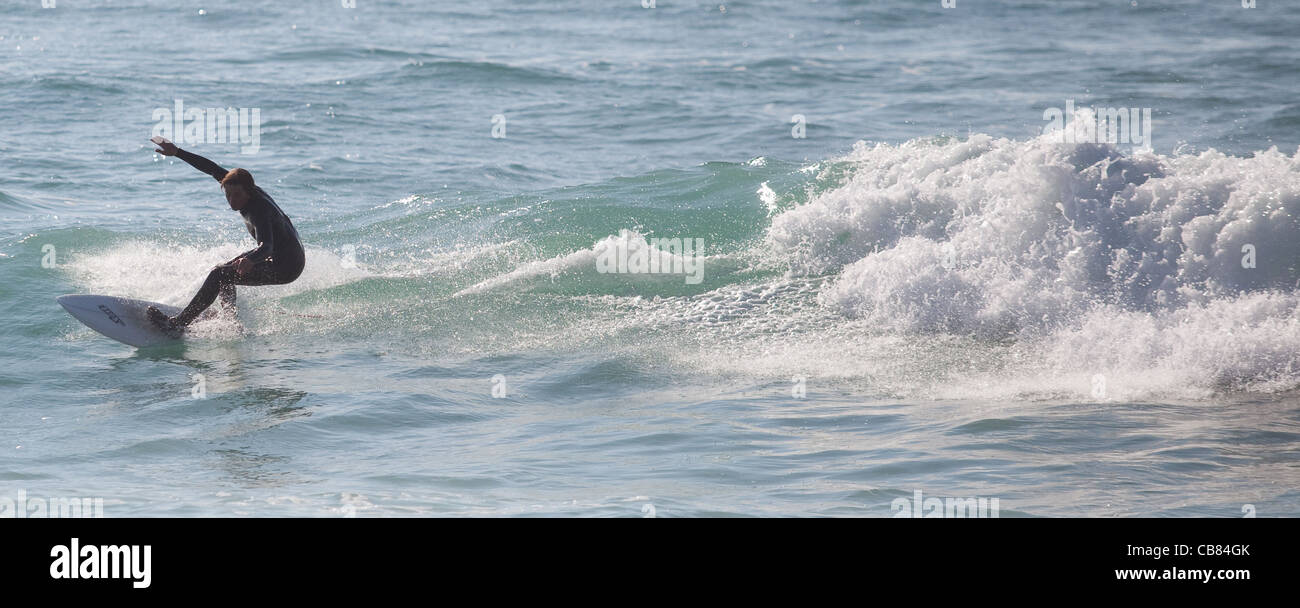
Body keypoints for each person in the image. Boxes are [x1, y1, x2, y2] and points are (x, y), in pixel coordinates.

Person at [147, 137, 305, 333]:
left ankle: (177, 325)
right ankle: (230, 321)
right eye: (228, 194)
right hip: (282, 254)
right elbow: (211, 167)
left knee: (219, 275)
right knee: (224, 271)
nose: (232, 200)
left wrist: (252, 259)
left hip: (287, 266)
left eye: (237, 195)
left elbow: (267, 246)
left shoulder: (259, 209)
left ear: (249, 191)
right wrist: (178, 152)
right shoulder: (237, 184)